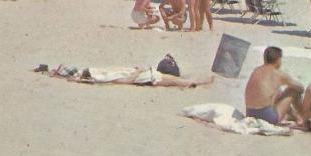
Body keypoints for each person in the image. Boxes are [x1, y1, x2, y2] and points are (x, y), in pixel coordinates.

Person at [244, 46, 305, 125]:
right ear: (278, 60)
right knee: (293, 91)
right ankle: (303, 118)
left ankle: (295, 116)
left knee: (277, 91)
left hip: (250, 113)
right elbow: (301, 88)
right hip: (267, 117)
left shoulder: (256, 70)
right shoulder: (278, 74)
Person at [39, 65, 215, 89]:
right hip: (148, 78)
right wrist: (138, 71)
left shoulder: (101, 73)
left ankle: (198, 82)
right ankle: (202, 82)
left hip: (150, 75)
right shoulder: (105, 77)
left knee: (175, 80)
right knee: (177, 81)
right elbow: (126, 81)